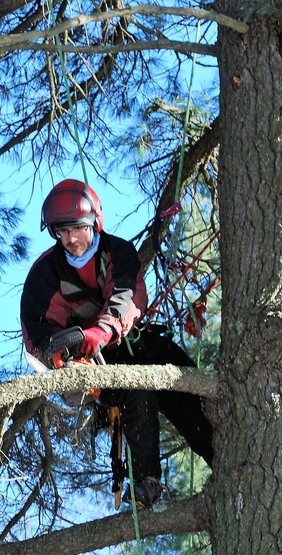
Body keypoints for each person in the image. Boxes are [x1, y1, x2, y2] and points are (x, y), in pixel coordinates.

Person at [20, 179, 214, 508]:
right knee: (134, 387)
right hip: (92, 367)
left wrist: (103, 330)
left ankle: (219, 449)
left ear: (94, 222)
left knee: (180, 376)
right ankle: (145, 482)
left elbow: (127, 295)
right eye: (61, 232)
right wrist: (65, 361)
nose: (70, 239)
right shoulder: (44, 276)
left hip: (129, 341)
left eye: (77, 229)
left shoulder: (117, 252)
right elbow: (37, 335)